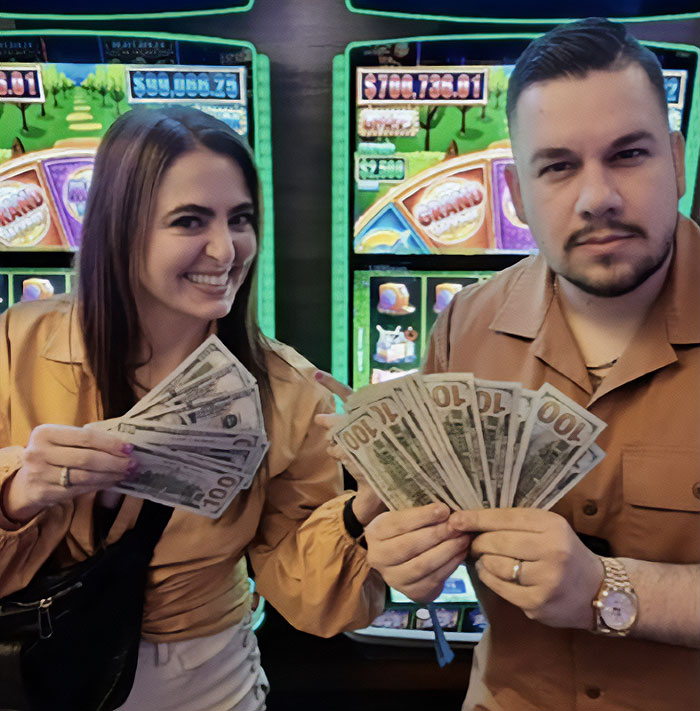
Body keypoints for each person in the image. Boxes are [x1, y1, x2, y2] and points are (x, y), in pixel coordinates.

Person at [349, 18, 699, 711]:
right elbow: (415, 518)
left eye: (629, 154)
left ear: (678, 160)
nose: (598, 197)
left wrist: (605, 589)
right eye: (558, 166)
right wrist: (402, 555)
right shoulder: (464, 325)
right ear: (515, 191)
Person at [0, 106, 385, 711]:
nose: (226, 249)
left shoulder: (288, 389)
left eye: (240, 219)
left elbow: (310, 597)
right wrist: (16, 494)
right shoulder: (14, 344)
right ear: (119, 227)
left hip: (206, 678)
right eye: (189, 221)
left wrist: (366, 507)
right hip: (38, 665)